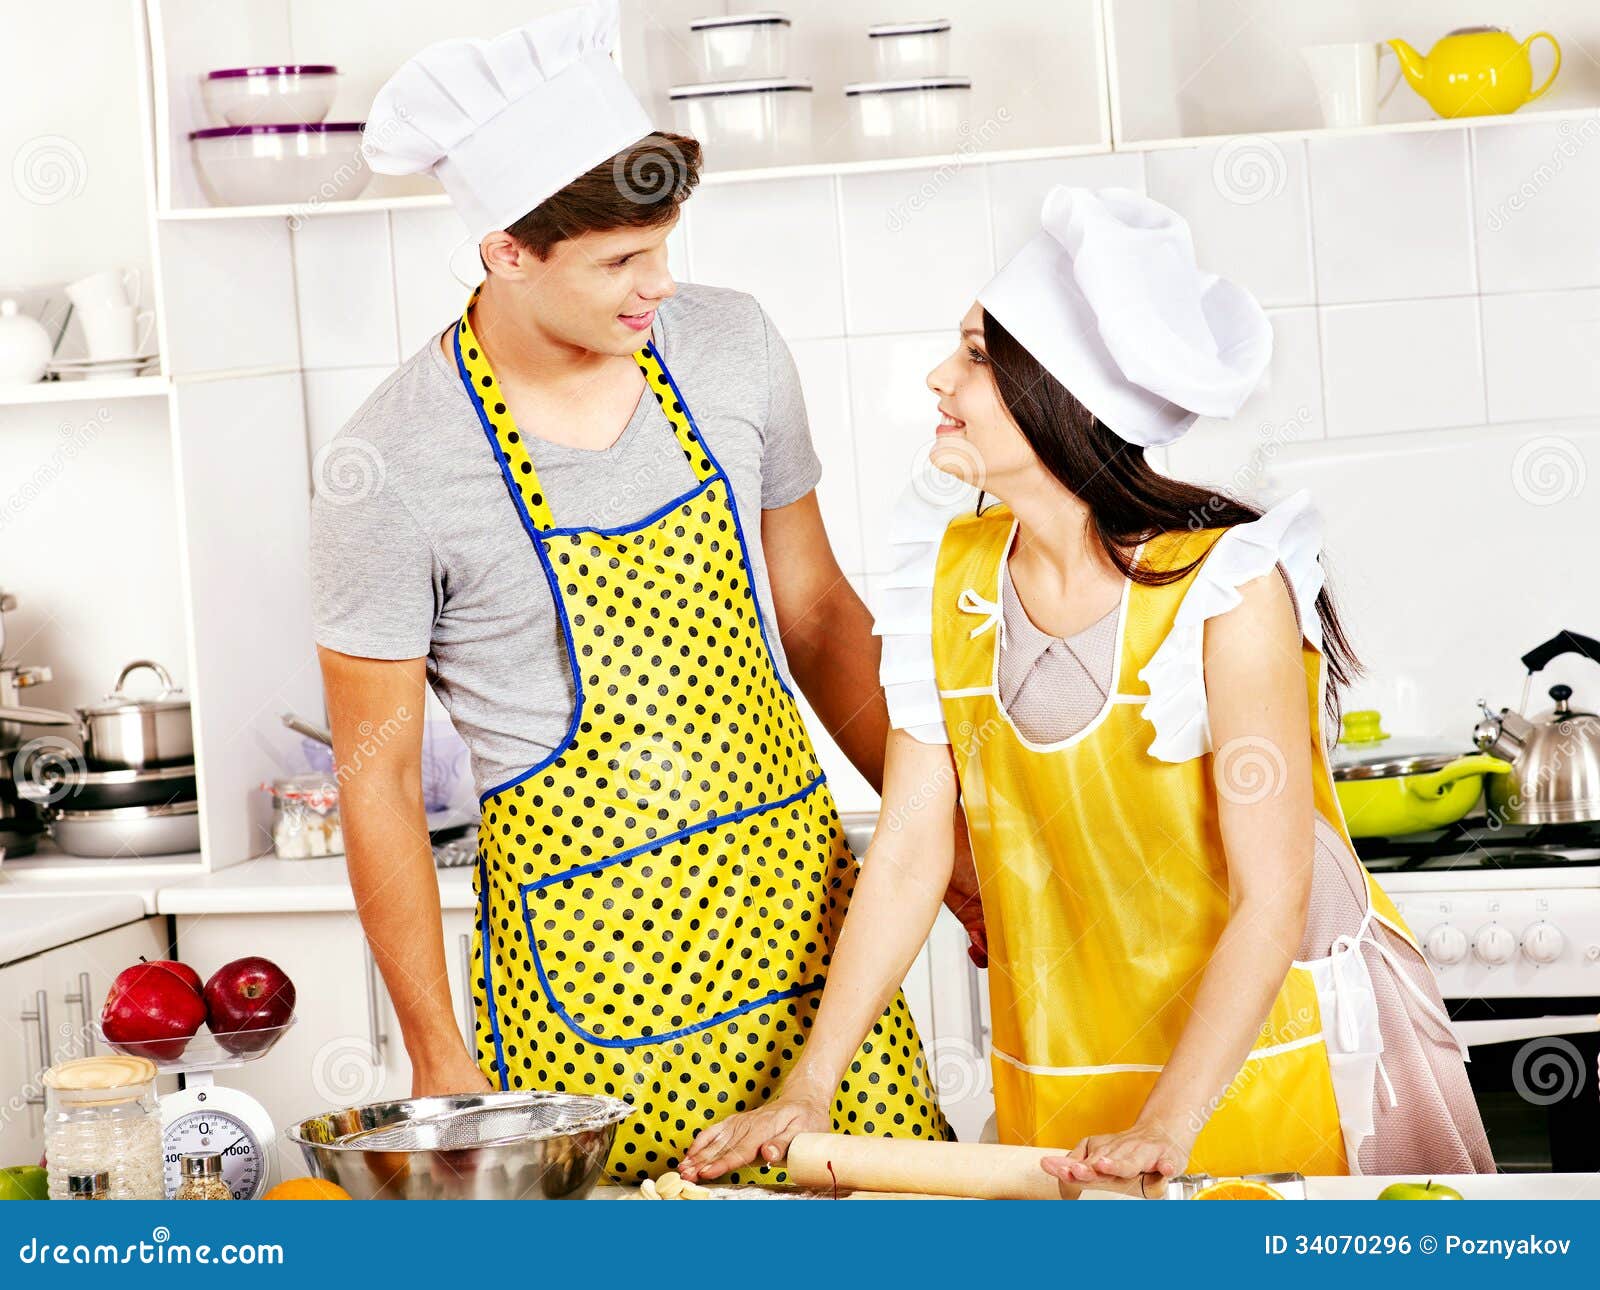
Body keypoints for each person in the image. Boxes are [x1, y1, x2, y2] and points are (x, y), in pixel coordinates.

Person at [680, 186, 1494, 1191]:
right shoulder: (946, 580)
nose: (942, 378)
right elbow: (906, 849)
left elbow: (1270, 895)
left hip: (1251, 1064)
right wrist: (810, 1085)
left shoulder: (1223, 593)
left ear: (1063, 394)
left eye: (977, 356)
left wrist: (1166, 1124)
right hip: (1062, 1066)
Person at [311, 2, 957, 1184]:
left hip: (798, 930)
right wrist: (436, 1054)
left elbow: (816, 617)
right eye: (617, 261)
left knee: (895, 1227)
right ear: (505, 250)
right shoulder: (390, 464)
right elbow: (381, 780)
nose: (657, 284)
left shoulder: (733, 348)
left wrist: (946, 857)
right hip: (590, 973)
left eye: (664, 245)